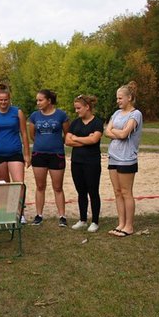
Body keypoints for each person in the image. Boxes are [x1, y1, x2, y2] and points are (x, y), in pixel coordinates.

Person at [105, 81, 143, 237]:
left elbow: (124, 134)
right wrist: (116, 132)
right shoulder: (116, 113)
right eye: (117, 98)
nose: (118, 101)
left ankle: (129, 226)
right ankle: (121, 223)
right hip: (113, 157)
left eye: (120, 98)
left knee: (127, 192)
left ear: (129, 98)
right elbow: (107, 131)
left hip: (127, 158)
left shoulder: (136, 114)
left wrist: (116, 131)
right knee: (117, 192)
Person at [0, 84, 30, 222]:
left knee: (18, 183)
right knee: (4, 184)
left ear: (9, 99)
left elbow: (24, 133)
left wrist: (27, 154)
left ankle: (20, 212)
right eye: (1, 100)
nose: (3, 102)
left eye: (5, 100)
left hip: (15, 152)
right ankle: (7, 212)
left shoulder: (17, 112)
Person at [28, 89, 70, 227]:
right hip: (39, 154)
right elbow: (32, 135)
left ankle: (62, 216)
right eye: (37, 100)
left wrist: (54, 144)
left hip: (56, 154)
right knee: (40, 186)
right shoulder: (34, 116)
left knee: (57, 187)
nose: (38, 103)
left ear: (49, 101)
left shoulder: (61, 115)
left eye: (40, 100)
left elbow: (67, 134)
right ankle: (39, 215)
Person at [65, 95, 104, 233]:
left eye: (79, 108)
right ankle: (82, 220)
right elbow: (68, 141)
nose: (76, 111)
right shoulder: (75, 123)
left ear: (87, 107)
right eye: (75, 108)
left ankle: (95, 221)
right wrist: (84, 139)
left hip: (92, 162)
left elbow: (94, 140)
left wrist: (77, 138)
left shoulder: (97, 122)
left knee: (93, 191)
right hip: (77, 162)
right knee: (81, 192)